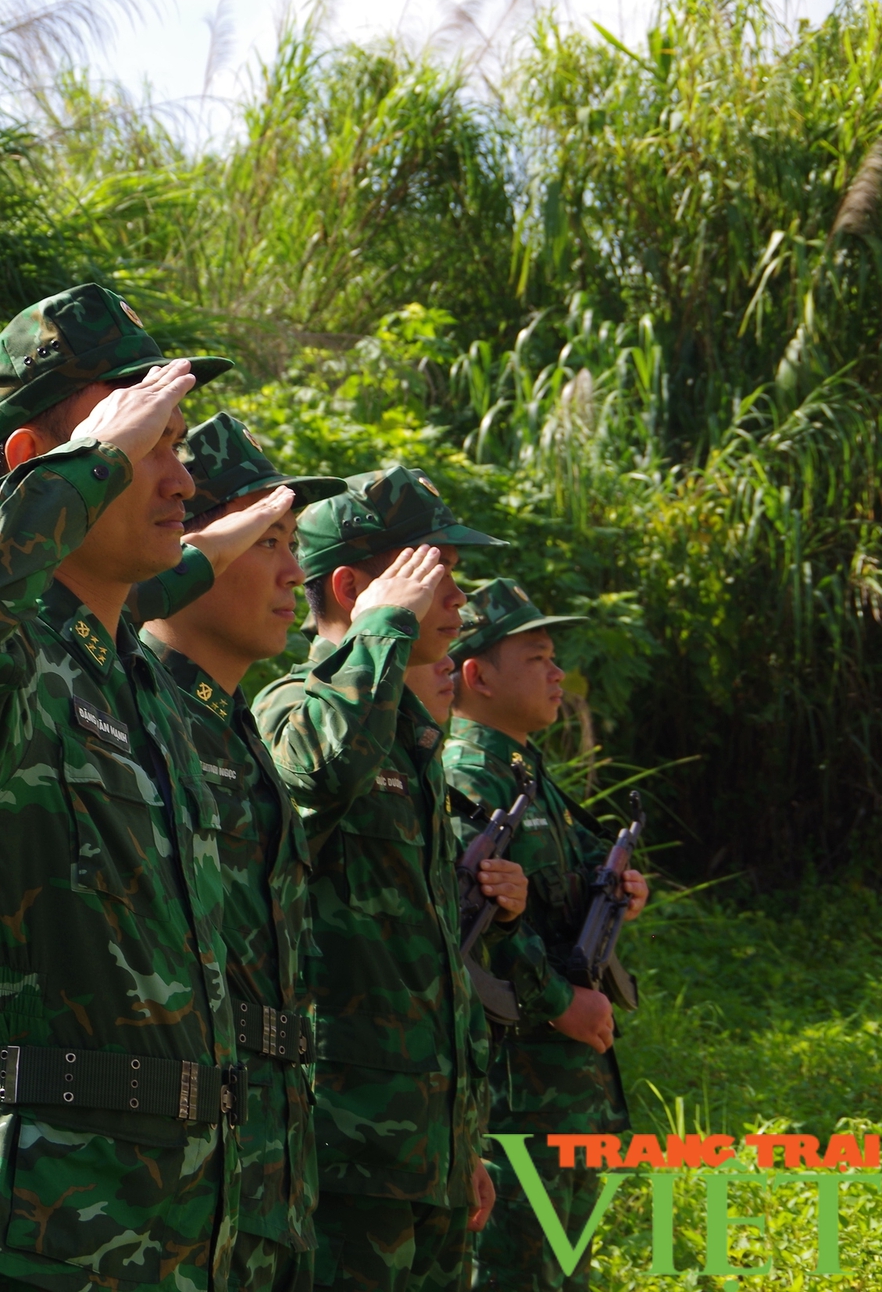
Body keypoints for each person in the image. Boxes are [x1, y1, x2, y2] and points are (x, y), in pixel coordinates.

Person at [0, 284, 295, 1291]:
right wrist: (94, 457)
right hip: (28, 1237)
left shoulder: (131, 670)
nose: (179, 474)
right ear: (38, 463)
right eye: (148, 441)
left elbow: (170, 574)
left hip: (181, 1223)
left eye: (175, 440)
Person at [251, 468, 528, 1292]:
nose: (458, 597)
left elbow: (429, 955)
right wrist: (379, 634)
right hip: (343, 1153)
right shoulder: (293, 706)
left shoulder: (408, 733)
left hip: (423, 1150)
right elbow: (317, 779)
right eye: (434, 572)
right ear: (352, 585)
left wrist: (458, 1138)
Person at [136, 413, 346, 1292]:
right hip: (158, 1205)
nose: (293, 573)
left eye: (294, 542)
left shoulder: (232, 724)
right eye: (268, 539)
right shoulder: (132, 712)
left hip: (261, 1185)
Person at [441, 579, 648, 1292]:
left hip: (564, 1088)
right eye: (536, 657)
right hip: (516, 1088)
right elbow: (474, 925)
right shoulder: (470, 776)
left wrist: (619, 887)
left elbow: (567, 882)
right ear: (477, 675)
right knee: (515, 1271)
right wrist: (561, 999)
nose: (558, 672)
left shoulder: (529, 773)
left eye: (554, 656)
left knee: (565, 1268)